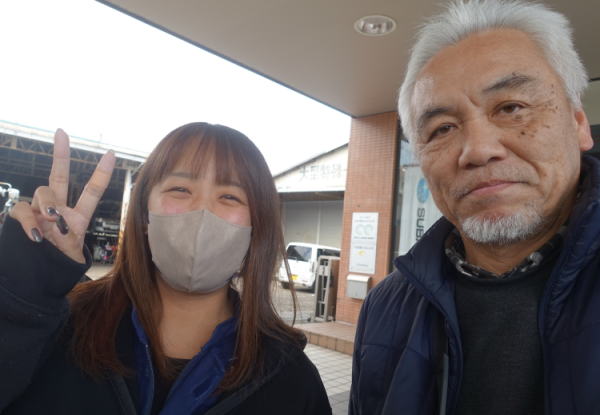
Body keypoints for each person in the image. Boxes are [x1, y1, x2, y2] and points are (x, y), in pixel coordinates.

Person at [350, 1, 599, 414]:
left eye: (511, 108)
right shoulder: (387, 306)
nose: (478, 150)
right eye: (442, 128)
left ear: (578, 123)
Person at [0, 123, 331, 414]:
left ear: (256, 227)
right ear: (145, 214)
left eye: (230, 197)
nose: (202, 210)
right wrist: (23, 290)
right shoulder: (61, 327)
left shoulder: (292, 381)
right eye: (180, 189)